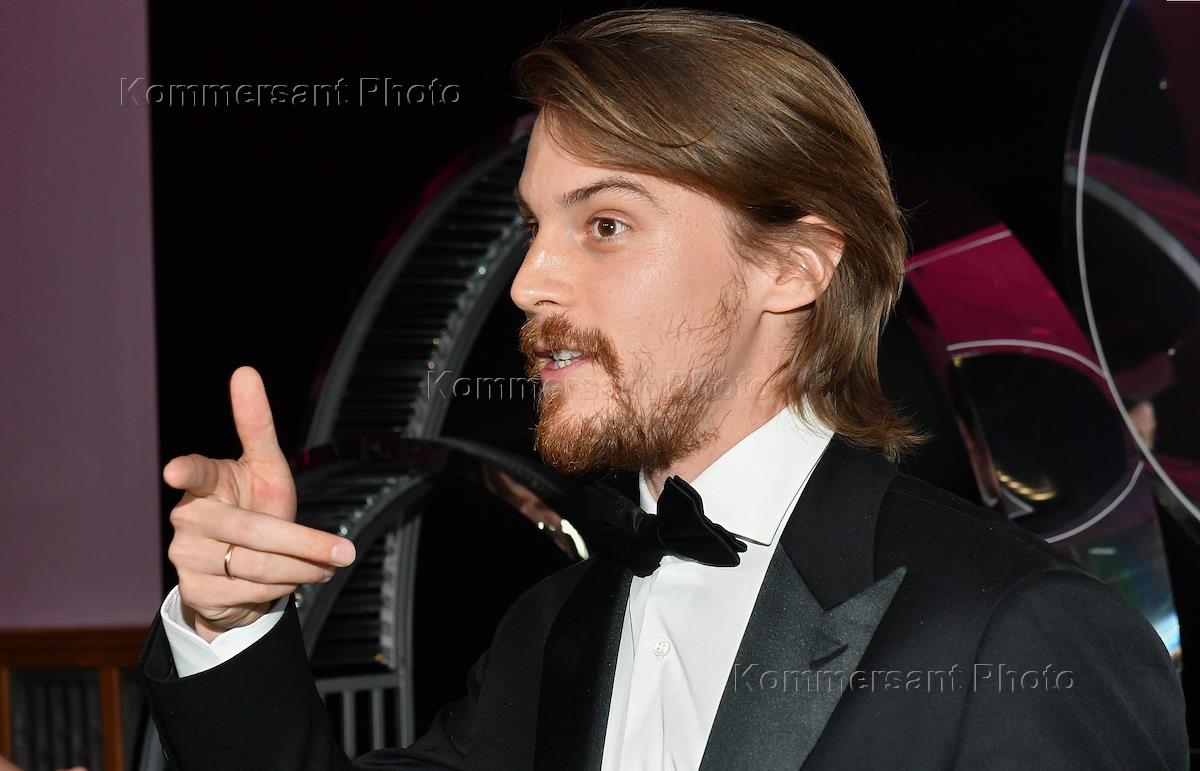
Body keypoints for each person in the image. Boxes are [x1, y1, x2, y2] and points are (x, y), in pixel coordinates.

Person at [138, 7, 1190, 769]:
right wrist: (228, 624)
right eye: (534, 227)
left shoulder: (1020, 631)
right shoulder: (550, 632)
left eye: (604, 224)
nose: (528, 281)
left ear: (791, 267)